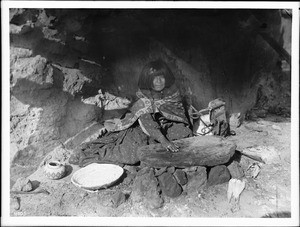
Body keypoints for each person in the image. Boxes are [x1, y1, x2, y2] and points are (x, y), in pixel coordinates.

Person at [69, 59, 192, 167]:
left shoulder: (172, 92)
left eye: (161, 77)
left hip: (168, 124)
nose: (158, 81)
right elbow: (145, 118)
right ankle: (87, 154)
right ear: (148, 80)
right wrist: (163, 140)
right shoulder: (143, 97)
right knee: (131, 152)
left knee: (184, 134)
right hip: (147, 127)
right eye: (154, 78)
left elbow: (178, 113)